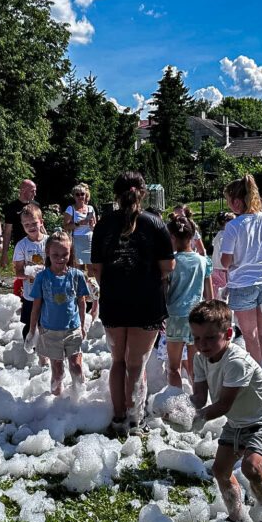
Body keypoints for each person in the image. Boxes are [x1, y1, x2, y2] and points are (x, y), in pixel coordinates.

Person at [88, 171, 174, 435]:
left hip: (114, 300)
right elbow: (167, 267)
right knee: (137, 364)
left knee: (118, 362)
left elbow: (97, 268)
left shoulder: (103, 225)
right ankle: (136, 421)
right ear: (144, 192)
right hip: (146, 301)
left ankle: (117, 418)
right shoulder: (155, 223)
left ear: (116, 195)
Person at [189, 299, 262, 522]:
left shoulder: (236, 361)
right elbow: (199, 397)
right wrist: (180, 410)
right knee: (220, 470)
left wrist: (195, 418)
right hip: (237, 421)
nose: (202, 344)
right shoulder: (200, 359)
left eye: (209, 338)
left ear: (228, 334)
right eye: (197, 338)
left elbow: (223, 405)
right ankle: (237, 516)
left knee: (251, 467)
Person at [219, 175, 262, 365]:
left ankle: (258, 376)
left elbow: (226, 262)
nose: (229, 206)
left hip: (243, 284)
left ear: (237, 202)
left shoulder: (233, 226)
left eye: (229, 201)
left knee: (249, 336)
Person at [26, 230, 90, 396]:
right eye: (55, 255)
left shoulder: (77, 275)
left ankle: (79, 399)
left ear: (70, 252)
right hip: (50, 330)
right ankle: (57, 404)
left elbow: (81, 302)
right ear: (47, 252)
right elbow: (36, 307)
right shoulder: (42, 277)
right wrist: (32, 330)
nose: (60, 259)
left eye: (65, 254)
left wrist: (82, 326)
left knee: (76, 366)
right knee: (58, 370)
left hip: (72, 328)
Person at [164, 215, 213, 386]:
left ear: (173, 238)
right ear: (192, 237)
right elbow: (209, 294)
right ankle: (198, 402)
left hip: (175, 316)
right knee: (195, 368)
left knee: (173, 367)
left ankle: (176, 405)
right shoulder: (203, 261)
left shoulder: (171, 263)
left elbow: (164, 291)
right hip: (197, 316)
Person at [13, 204, 48, 340]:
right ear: (22, 225)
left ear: (41, 222)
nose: (31, 227)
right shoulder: (21, 245)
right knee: (29, 324)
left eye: (34, 223)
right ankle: (29, 351)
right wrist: (31, 272)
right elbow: (18, 272)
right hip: (30, 292)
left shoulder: (49, 241)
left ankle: (46, 351)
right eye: (26, 224)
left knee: (47, 323)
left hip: (48, 291)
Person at [1, 179, 40, 270]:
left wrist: (48, 241)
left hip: (36, 245)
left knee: (37, 272)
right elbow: (7, 232)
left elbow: (41, 226)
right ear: (23, 190)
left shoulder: (36, 205)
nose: (34, 194)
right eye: (32, 191)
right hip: (20, 246)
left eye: (35, 191)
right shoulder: (12, 207)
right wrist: (4, 254)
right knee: (22, 274)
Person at [63, 183, 96, 268]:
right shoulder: (71, 209)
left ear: (85, 195)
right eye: (77, 194)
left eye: (82, 194)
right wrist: (79, 223)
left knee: (91, 267)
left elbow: (95, 226)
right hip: (76, 240)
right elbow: (66, 227)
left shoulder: (90, 208)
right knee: (77, 266)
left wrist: (92, 225)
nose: (80, 196)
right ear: (74, 196)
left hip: (89, 239)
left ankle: (90, 281)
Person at [209, 212, 235, 301]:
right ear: (227, 223)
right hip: (223, 270)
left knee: (217, 293)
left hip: (216, 268)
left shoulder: (219, 235)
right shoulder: (225, 236)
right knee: (223, 295)